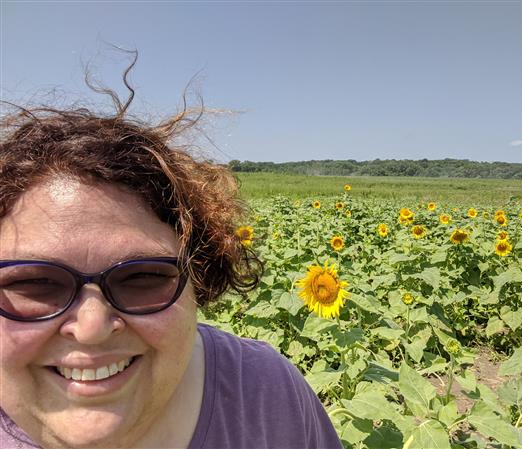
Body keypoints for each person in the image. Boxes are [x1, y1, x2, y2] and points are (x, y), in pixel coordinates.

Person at [0, 64, 344, 449]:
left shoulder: (266, 393)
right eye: (34, 283)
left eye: (142, 278)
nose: (92, 328)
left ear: (199, 278)